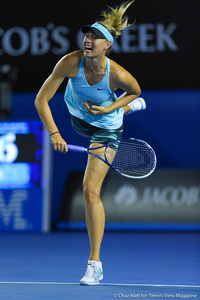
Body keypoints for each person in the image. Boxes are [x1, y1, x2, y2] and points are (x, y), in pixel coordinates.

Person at [34, 0, 146, 285]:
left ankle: (94, 264)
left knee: (89, 191)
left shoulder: (118, 74)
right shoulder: (71, 62)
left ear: (107, 45)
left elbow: (135, 89)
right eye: (87, 34)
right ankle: (123, 110)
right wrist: (54, 134)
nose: (89, 39)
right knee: (103, 112)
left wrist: (111, 109)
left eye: (96, 36)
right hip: (78, 120)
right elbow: (41, 99)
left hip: (105, 129)